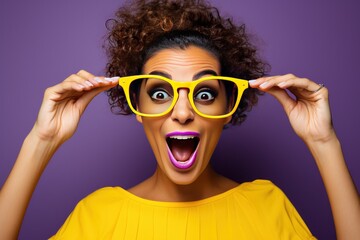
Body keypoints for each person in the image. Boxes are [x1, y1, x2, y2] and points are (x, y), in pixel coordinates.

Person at [0, 0, 359, 239]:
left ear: (227, 109)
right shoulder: (98, 216)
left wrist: (323, 143)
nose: (184, 112)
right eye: (159, 94)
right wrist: (41, 141)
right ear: (136, 108)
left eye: (205, 94)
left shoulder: (267, 205)